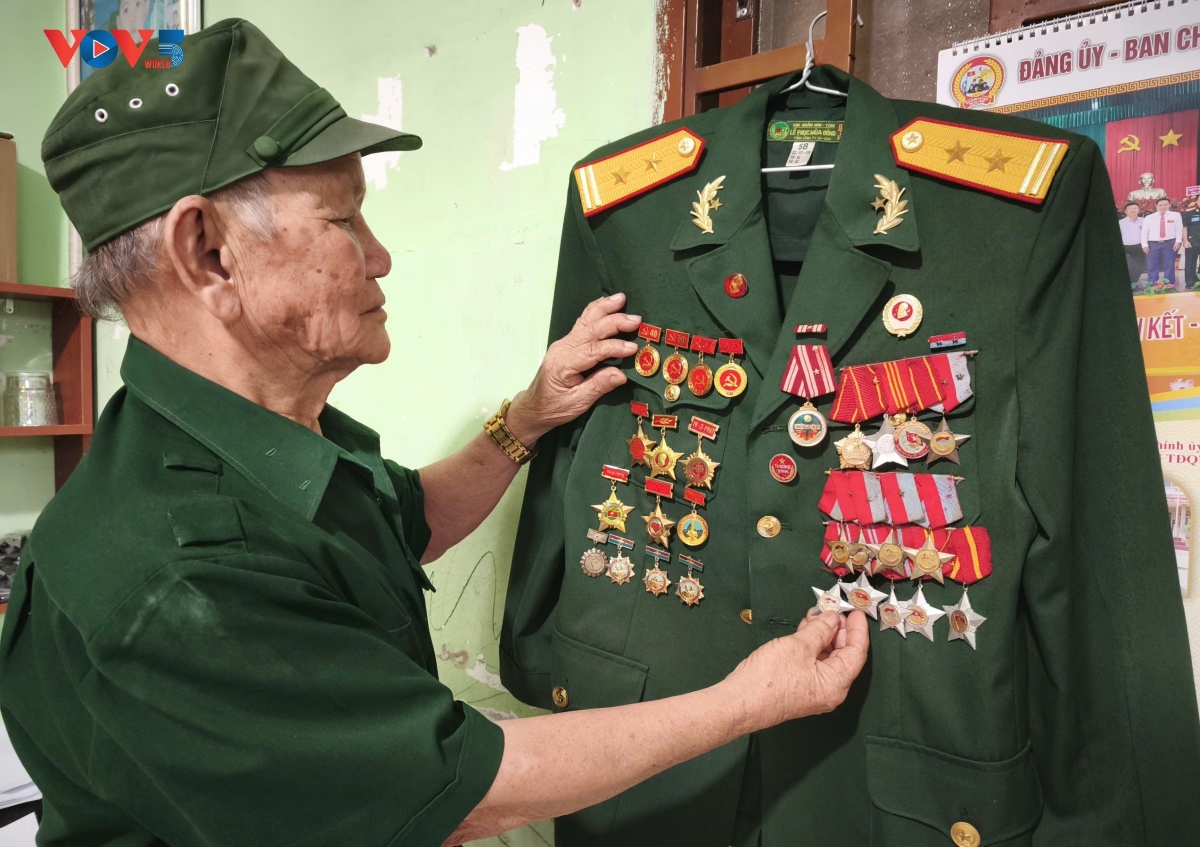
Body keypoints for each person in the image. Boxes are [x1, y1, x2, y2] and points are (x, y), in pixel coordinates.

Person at [0, 19, 869, 847]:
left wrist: (526, 417)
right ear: (208, 252)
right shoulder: (174, 579)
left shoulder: (256, 438)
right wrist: (749, 701)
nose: (379, 256)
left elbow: (405, 518)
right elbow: (472, 784)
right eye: (343, 220)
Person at [1142, 196, 1184, 288]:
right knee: (1152, 265)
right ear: (1156, 206)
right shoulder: (1149, 217)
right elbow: (1144, 232)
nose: (1163, 207)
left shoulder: (1176, 215)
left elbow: (1179, 229)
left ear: (1169, 205)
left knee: (1169, 264)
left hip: (1169, 243)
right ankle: (1153, 284)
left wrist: (1178, 241)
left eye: (1165, 204)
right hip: (1152, 244)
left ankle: (1169, 284)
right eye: (1160, 205)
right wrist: (1144, 244)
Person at [1119, 202, 1147, 287]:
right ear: (1125, 211)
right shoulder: (1120, 222)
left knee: (1138, 268)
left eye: (1135, 208)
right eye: (1130, 209)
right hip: (1126, 248)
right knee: (1129, 267)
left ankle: (1134, 285)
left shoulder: (1144, 221)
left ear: (1139, 210)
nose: (1132, 210)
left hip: (1140, 247)